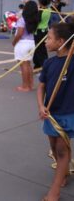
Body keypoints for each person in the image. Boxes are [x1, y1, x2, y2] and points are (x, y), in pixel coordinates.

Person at [37, 22, 74, 201]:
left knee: (61, 149)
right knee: (54, 147)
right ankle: (65, 171)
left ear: (60, 42)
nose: (45, 41)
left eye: (49, 38)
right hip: (51, 113)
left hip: (68, 113)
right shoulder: (49, 62)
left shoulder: (72, 61)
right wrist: (41, 105)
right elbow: (41, 86)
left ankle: (54, 192)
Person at [12, 1, 39, 92]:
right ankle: (30, 85)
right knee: (28, 65)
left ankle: (25, 86)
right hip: (31, 42)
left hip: (22, 43)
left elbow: (19, 33)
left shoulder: (22, 19)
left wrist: (14, 42)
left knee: (23, 66)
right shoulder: (35, 19)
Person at [34, 0, 51, 70]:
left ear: (41, 2)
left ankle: (43, 65)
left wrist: (37, 11)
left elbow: (37, 21)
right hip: (44, 31)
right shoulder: (48, 9)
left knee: (40, 49)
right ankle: (38, 65)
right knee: (40, 48)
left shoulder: (41, 11)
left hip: (39, 32)